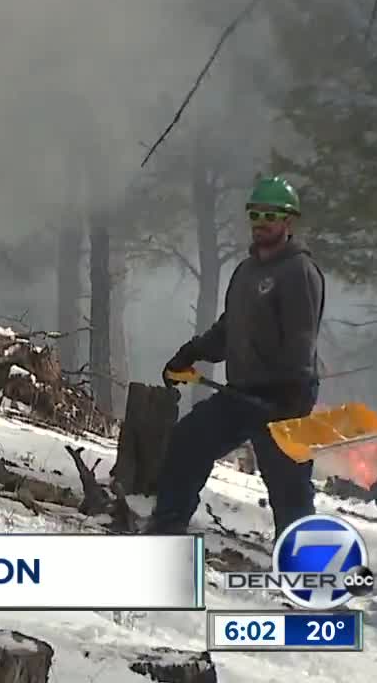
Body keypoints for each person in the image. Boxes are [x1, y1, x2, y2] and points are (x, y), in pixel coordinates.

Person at [145, 175, 326, 539]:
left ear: (288, 222)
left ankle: (305, 571)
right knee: (188, 442)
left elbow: (301, 338)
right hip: (241, 394)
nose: (261, 223)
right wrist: (192, 353)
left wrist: (288, 395)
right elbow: (231, 328)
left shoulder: (298, 272)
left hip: (283, 401)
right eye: (255, 215)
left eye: (270, 216)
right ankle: (166, 531)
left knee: (289, 491)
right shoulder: (247, 271)